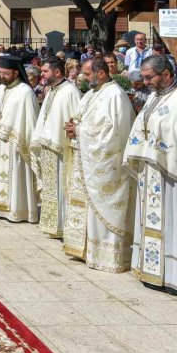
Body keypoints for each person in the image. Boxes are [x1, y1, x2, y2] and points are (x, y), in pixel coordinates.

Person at [123, 54, 177, 292]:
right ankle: (151, 270)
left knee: (173, 222)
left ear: (166, 74)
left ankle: (174, 277)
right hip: (152, 172)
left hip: (172, 175)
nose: (145, 81)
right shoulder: (155, 97)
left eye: (149, 77)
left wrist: (158, 147)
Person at [62, 58, 135, 272]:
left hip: (105, 165)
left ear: (101, 73)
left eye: (87, 74)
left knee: (102, 208)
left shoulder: (115, 96)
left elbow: (113, 134)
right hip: (85, 159)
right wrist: (72, 126)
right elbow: (82, 121)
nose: (84, 77)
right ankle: (84, 249)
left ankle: (105, 256)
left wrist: (79, 132)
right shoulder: (91, 94)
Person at [29, 57, 82, 239]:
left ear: (57, 72)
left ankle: (63, 226)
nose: (42, 75)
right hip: (48, 146)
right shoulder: (51, 91)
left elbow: (76, 119)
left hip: (61, 149)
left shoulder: (70, 92)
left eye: (45, 71)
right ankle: (52, 226)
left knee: (62, 189)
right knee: (51, 190)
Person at [0, 54, 39, 223]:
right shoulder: (0, 89)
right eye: (0, 73)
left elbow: (30, 123)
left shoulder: (26, 92)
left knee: (16, 179)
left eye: (6, 73)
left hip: (16, 144)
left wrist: (24, 141)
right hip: (0, 142)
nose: (2, 76)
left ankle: (19, 211)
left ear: (16, 73)